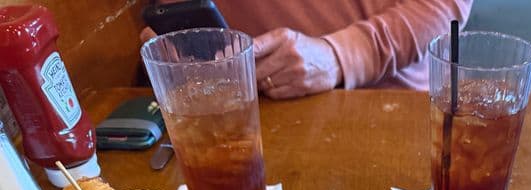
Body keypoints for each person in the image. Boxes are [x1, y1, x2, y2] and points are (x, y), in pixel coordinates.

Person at [143, 1, 473, 99]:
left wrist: (338, 56)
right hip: (241, 102)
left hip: (387, 102)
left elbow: (440, 6)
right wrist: (176, 34)